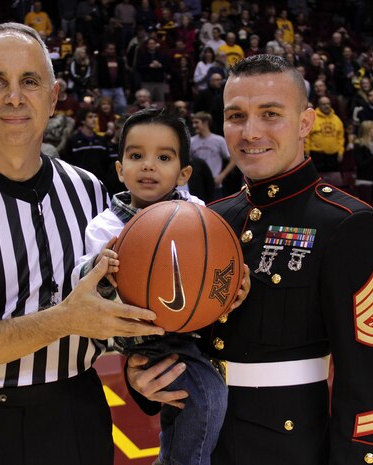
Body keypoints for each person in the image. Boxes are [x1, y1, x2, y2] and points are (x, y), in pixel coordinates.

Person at [0, 23, 163, 465]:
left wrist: (138, 365)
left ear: (54, 96)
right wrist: (62, 320)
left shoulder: (90, 190)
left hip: (79, 411)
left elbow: (112, 305)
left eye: (30, 81)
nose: (15, 97)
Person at [127, 55, 373, 465]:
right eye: (236, 115)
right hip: (194, 441)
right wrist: (144, 378)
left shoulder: (348, 226)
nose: (250, 131)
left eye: (270, 114)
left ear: (305, 122)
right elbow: (179, 331)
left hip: (287, 449)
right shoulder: (211, 220)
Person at [73, 108, 248, 465]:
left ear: (184, 173)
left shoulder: (196, 211)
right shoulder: (105, 227)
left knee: (184, 409)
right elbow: (80, 284)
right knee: (206, 396)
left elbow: (217, 267)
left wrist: (232, 288)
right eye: (136, 156)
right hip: (145, 336)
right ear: (120, 170)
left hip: (189, 328)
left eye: (163, 157)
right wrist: (98, 266)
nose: (148, 165)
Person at [190, 112, 234, 199]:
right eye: (193, 123)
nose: (194, 125)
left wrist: (222, 175)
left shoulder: (219, 140)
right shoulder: (192, 141)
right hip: (198, 185)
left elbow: (233, 160)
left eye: (196, 122)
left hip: (215, 184)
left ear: (205, 122)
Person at [305, 97, 345, 172]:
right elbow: (307, 137)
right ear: (319, 105)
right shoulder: (312, 118)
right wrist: (307, 152)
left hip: (333, 155)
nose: (326, 106)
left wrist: (340, 152)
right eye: (323, 104)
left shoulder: (337, 119)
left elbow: (340, 138)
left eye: (328, 104)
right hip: (316, 155)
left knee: (332, 180)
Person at [353, 120, 373, 205]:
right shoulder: (359, 145)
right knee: (366, 207)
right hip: (364, 181)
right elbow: (360, 164)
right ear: (367, 131)